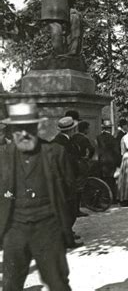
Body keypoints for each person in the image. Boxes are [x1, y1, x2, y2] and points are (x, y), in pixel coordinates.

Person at [0, 103, 74, 290]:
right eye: (18, 129)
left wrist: (61, 223)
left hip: (48, 228)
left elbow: (69, 189)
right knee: (10, 285)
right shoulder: (3, 157)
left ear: (37, 127)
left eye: (29, 128)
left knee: (58, 283)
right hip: (15, 230)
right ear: (11, 130)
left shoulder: (55, 153)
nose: (24, 134)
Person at [52, 116, 89, 221]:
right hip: (67, 178)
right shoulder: (64, 143)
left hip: (65, 177)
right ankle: (67, 232)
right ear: (71, 129)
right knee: (67, 207)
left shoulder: (60, 140)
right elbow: (69, 160)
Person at [97, 119, 121, 202]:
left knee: (103, 179)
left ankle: (104, 197)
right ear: (110, 128)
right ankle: (112, 198)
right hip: (111, 162)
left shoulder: (99, 138)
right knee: (111, 181)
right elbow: (117, 153)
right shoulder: (113, 139)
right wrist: (118, 164)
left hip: (102, 162)